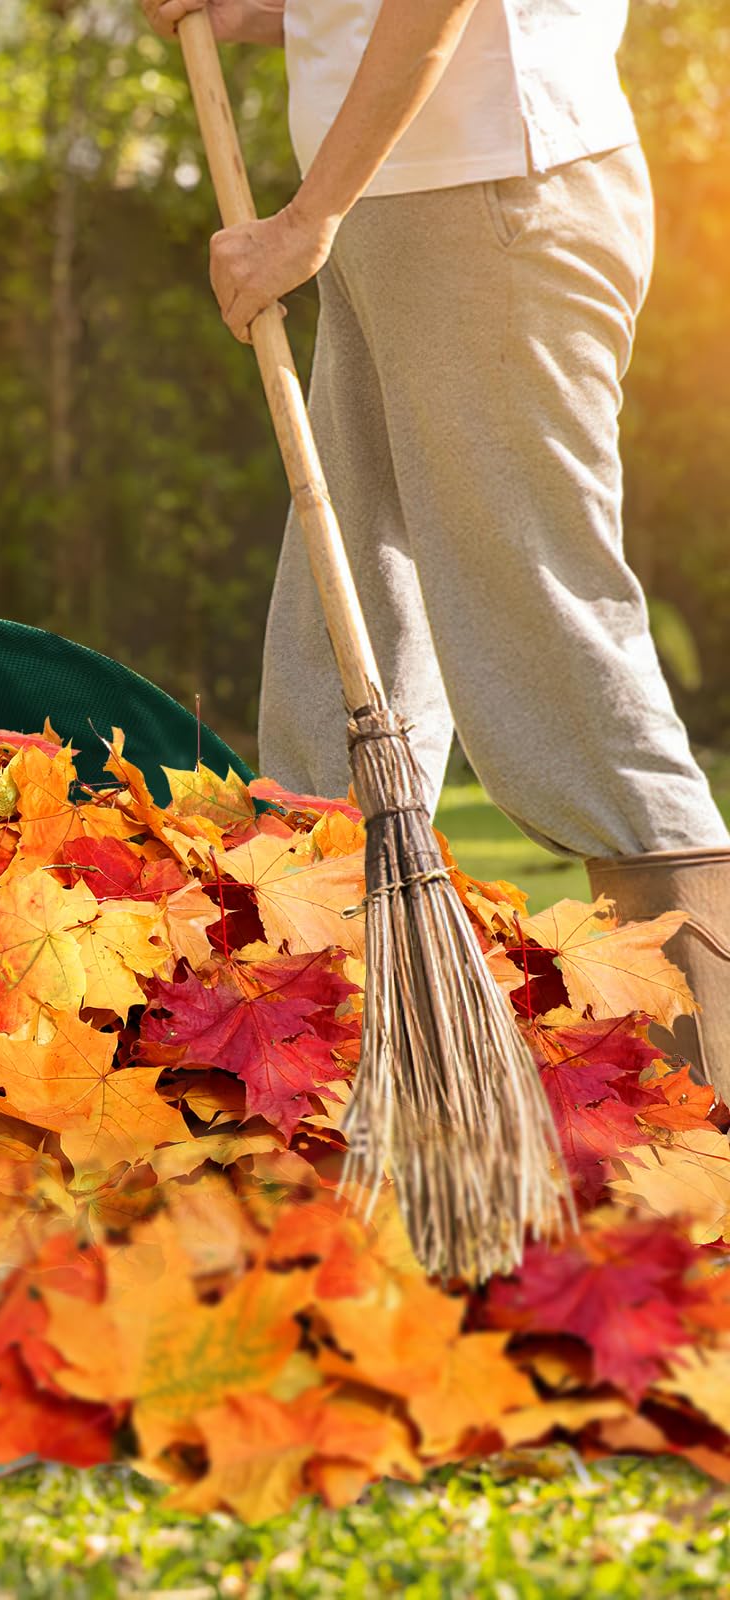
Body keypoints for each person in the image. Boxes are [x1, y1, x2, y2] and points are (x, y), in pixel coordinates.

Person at [138, 0, 730, 1091]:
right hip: (398, 210)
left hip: (490, 196)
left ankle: (706, 1081)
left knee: (549, 650)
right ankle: (324, 1065)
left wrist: (305, 218)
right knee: (336, 657)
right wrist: (274, 14)